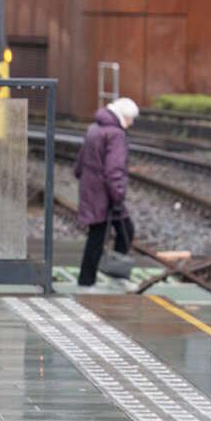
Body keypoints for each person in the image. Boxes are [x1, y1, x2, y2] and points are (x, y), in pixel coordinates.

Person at [75, 97, 139, 286]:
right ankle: (90, 281)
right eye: (130, 119)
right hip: (106, 193)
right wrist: (118, 194)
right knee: (107, 233)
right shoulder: (116, 134)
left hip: (92, 189)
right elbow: (114, 169)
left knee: (110, 231)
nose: (131, 123)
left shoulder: (94, 129)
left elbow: (79, 163)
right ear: (123, 116)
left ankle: (102, 277)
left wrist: (84, 178)